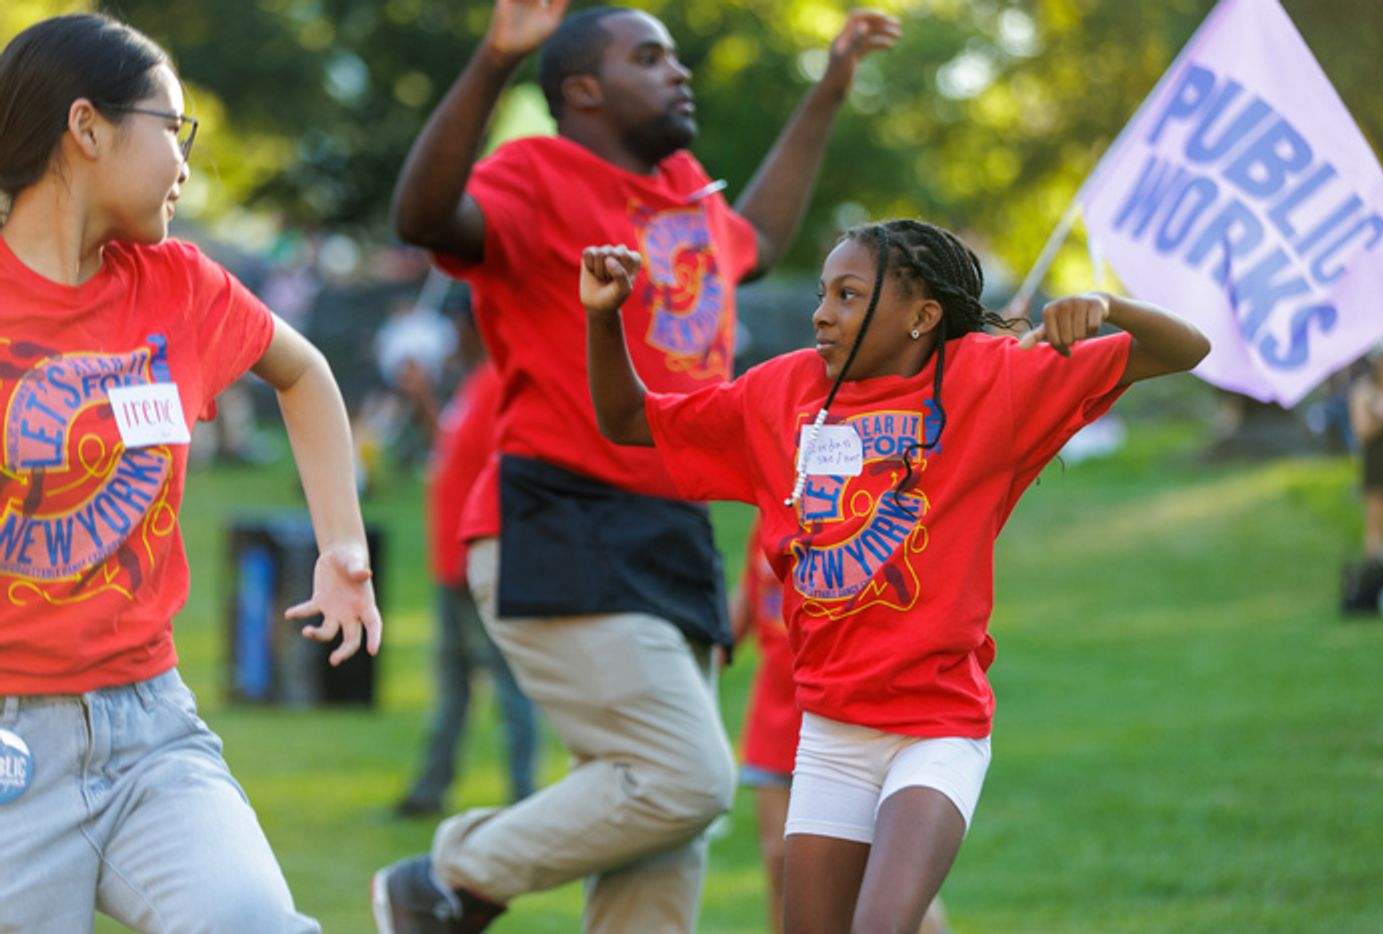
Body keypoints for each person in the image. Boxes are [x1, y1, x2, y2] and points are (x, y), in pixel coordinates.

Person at [372, 2, 899, 932]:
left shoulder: (686, 188)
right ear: (582, 91)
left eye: (673, 56)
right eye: (649, 57)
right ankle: (448, 879)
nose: (678, 71)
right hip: (560, 515)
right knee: (684, 777)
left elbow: (759, 243)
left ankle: (453, 883)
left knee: (659, 837)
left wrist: (828, 89)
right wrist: (496, 58)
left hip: (671, 529)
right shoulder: (532, 174)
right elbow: (422, 215)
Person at [581, 218, 1210, 933]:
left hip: (936, 727)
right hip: (830, 729)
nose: (822, 312)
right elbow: (627, 419)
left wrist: (1108, 306)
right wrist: (603, 320)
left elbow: (1186, 348)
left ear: (922, 316)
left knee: (881, 926)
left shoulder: (989, 380)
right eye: (823, 293)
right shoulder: (780, 393)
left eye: (849, 295)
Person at [0, 13, 382, 933]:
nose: (185, 162)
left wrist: (341, 543)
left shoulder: (179, 284)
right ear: (86, 128)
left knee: (253, 920)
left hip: (150, 730)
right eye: (171, 130)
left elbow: (305, 374)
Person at [729, 519, 951, 934]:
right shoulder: (769, 515)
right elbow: (749, 593)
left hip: (850, 718)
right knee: (782, 861)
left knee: (882, 873)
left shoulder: (864, 516)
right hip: (775, 717)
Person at [395, 304, 538, 816]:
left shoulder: (504, 382)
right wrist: (422, 399)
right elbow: (452, 449)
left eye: (456, 326)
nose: (450, 338)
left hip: (487, 562)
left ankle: (524, 798)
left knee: (508, 685)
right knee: (452, 686)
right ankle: (430, 789)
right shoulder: (475, 383)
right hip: (451, 562)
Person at [1349, 347, 1383, 560]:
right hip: (1376, 459)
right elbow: (1362, 432)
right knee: (1376, 518)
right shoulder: (1364, 391)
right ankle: (1375, 566)